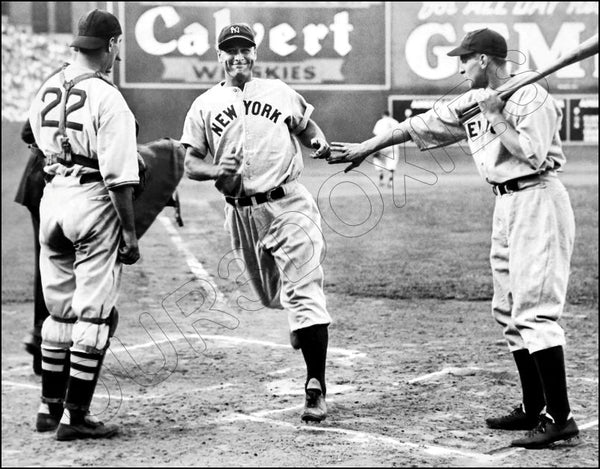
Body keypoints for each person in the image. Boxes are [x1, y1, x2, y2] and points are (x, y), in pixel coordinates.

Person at [329, 28, 579, 449]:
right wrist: (366, 147)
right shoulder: (471, 101)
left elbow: (533, 155)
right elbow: (416, 126)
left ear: (484, 59)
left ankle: (561, 416)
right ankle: (534, 407)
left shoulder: (531, 97)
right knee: (508, 309)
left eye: (464, 59)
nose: (460, 66)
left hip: (537, 197)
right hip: (505, 205)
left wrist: (497, 114)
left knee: (535, 310)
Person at [180, 23, 332, 422]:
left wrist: (316, 140)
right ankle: (300, 321)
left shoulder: (279, 92)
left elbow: (306, 127)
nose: (238, 56)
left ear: (254, 53)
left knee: (305, 290)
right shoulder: (204, 104)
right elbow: (190, 161)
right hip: (241, 213)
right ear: (219, 56)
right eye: (230, 50)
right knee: (269, 295)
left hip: (288, 206)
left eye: (244, 49)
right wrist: (214, 169)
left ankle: (315, 385)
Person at [28, 9, 140, 440]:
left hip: (53, 197)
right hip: (92, 200)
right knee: (92, 315)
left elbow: (35, 142)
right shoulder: (108, 97)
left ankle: (48, 406)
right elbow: (118, 178)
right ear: (111, 46)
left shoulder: (46, 87)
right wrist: (129, 233)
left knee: (58, 310)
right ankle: (76, 417)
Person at [15, 120, 50, 375]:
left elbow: (28, 132)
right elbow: (27, 132)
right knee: (57, 263)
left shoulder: (54, 85)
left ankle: (42, 339)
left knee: (47, 263)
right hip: (50, 184)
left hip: (41, 182)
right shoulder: (100, 91)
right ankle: (44, 338)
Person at [371, 110, 400, 187]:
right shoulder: (395, 122)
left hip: (382, 145)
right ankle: (390, 181)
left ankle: (381, 178)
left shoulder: (380, 122)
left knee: (377, 159)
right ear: (389, 115)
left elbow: (376, 135)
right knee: (392, 163)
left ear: (383, 115)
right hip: (393, 145)